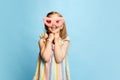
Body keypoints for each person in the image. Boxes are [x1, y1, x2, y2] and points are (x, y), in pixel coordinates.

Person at [33, 11, 71, 80]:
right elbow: (46, 57)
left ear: (62, 25)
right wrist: (50, 39)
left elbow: (59, 59)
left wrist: (56, 40)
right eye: (49, 21)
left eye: (57, 21)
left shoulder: (65, 42)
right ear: (46, 25)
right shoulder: (42, 41)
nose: (53, 24)